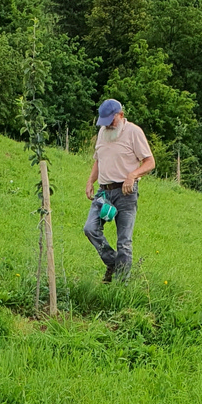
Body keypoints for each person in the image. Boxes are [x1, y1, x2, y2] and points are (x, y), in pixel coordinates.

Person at [84, 99, 156, 282]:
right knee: (90, 229)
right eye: (104, 122)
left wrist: (133, 175)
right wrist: (90, 181)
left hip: (125, 193)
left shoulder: (134, 132)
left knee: (124, 241)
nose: (108, 125)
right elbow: (98, 160)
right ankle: (113, 262)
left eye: (111, 121)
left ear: (121, 115)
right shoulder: (103, 133)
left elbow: (150, 162)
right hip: (104, 193)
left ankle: (121, 285)